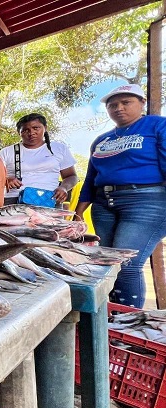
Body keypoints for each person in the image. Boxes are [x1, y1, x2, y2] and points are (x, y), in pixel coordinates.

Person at [74, 83, 166, 309]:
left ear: (141, 103)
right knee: (108, 263)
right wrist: (77, 214)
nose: (119, 108)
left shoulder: (156, 125)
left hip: (146, 201)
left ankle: (130, 319)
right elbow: (91, 178)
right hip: (103, 204)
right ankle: (114, 318)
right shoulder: (102, 139)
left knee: (127, 263)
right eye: (113, 105)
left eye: (126, 102)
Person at [0, 113, 78, 206]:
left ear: (45, 128)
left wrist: (64, 188)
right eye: (25, 130)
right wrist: (6, 180)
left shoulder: (59, 148)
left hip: (50, 200)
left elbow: (71, 176)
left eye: (36, 128)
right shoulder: (7, 152)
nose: (31, 133)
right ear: (19, 133)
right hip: (14, 201)